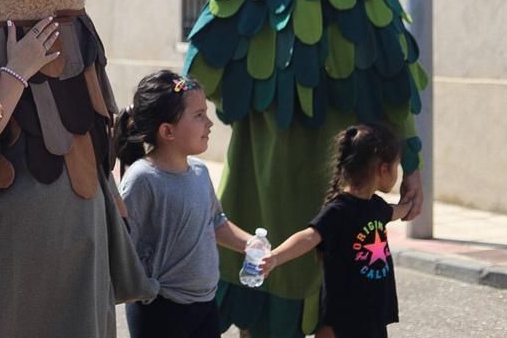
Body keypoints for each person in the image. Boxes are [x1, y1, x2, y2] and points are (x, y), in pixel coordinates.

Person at [116, 70, 262, 338]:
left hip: (205, 305)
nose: (209, 123)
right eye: (199, 115)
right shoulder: (142, 180)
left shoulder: (199, 171)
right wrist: (144, 287)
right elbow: (121, 245)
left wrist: (249, 243)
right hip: (159, 312)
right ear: (167, 131)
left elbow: (215, 222)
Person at [260, 123, 412, 338]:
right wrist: (275, 257)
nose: (397, 173)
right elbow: (309, 236)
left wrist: (410, 205)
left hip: (373, 313)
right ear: (383, 169)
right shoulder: (339, 210)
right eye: (397, 166)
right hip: (345, 318)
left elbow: (395, 212)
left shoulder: (376, 205)